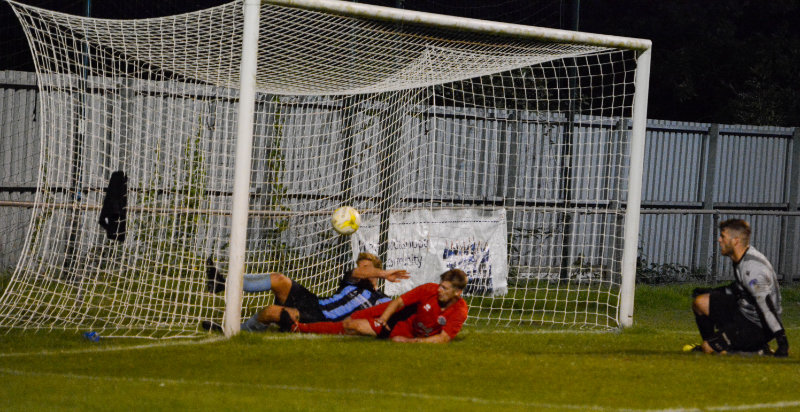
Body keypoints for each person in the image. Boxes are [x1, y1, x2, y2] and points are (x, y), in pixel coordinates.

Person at [234, 252, 409, 332]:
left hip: (322, 319)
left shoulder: (382, 300)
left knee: (271, 312)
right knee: (278, 279)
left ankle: (239, 333)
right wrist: (384, 273)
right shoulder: (352, 281)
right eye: (360, 266)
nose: (362, 270)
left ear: (376, 271)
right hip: (315, 302)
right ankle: (228, 282)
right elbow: (357, 273)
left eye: (367, 268)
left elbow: (397, 312)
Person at [689, 219, 789, 357]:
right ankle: (715, 342)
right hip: (744, 311)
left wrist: (782, 342)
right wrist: (713, 292)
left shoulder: (753, 269)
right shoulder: (742, 257)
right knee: (701, 302)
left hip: (759, 325)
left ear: (735, 240)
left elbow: (766, 307)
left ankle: (758, 350)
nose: (719, 240)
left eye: (723, 236)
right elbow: (740, 288)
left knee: (708, 348)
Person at [288, 269, 469, 344]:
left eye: (444, 288)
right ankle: (298, 327)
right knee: (349, 321)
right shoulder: (429, 289)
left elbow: (443, 338)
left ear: (457, 292)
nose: (439, 290)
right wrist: (383, 319)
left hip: (405, 329)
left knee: (350, 326)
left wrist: (410, 342)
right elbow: (398, 302)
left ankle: (299, 327)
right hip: (394, 313)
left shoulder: (459, 311)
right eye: (440, 285)